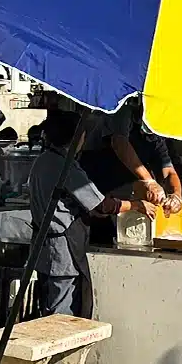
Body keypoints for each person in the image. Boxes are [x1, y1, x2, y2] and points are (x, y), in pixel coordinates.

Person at [29, 108, 147, 318]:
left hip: (42, 247)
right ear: (78, 137)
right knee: (61, 314)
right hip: (61, 250)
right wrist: (137, 205)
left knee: (48, 308)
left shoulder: (42, 161)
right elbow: (101, 205)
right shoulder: (65, 166)